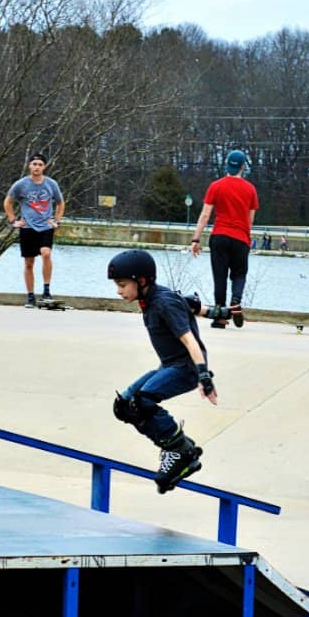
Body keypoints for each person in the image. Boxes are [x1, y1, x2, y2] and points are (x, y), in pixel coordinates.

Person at [107, 249, 223, 493]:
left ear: (141, 281)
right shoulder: (151, 298)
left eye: (122, 285)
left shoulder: (162, 302)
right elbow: (187, 304)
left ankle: (179, 451)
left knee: (143, 402)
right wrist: (212, 312)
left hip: (186, 368)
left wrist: (204, 376)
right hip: (169, 366)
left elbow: (191, 341)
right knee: (125, 406)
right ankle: (176, 446)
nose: (118, 291)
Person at [189, 149, 258, 330]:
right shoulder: (250, 189)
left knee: (219, 276)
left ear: (227, 164)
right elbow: (250, 220)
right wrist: (245, 237)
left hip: (219, 236)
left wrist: (195, 239)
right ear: (243, 166)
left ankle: (219, 317)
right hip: (241, 238)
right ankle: (235, 300)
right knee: (239, 273)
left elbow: (205, 215)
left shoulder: (216, 186)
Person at [4, 153, 64, 307]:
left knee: (46, 253)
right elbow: (8, 202)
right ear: (29, 166)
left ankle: (46, 290)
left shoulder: (51, 184)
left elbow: (60, 203)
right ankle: (30, 296)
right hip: (27, 227)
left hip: (45, 226)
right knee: (29, 263)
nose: (37, 167)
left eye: (40, 164)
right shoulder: (21, 184)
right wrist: (13, 221)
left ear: (44, 167)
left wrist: (56, 221)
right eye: (34, 164)